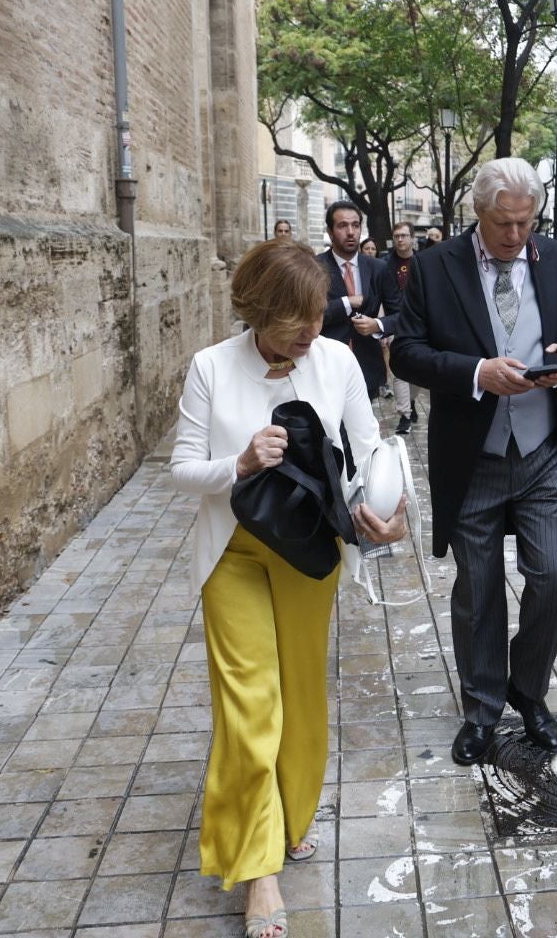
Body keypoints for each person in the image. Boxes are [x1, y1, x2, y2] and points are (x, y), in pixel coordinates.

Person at [171, 239, 407, 938]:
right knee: (250, 707)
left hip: (309, 555)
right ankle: (258, 872)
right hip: (234, 556)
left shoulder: (335, 361)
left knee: (301, 692)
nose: (309, 332)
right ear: (256, 311)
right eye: (293, 321)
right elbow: (182, 470)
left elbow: (369, 452)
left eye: (315, 317)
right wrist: (238, 463)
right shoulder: (211, 367)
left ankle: (290, 816)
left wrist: (387, 518)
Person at [391, 157, 557, 766]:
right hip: (475, 460)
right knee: (479, 590)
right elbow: (405, 353)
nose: (516, 236)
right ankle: (483, 712)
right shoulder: (436, 268)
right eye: (503, 223)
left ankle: (529, 689)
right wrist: (475, 373)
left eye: (525, 222)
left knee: (554, 579)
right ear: (478, 213)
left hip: (546, 454)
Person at [317, 202, 401, 398]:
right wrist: (347, 302)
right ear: (330, 231)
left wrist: (377, 325)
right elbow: (309, 313)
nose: (350, 232)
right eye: (342, 225)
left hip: (367, 367)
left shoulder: (377, 267)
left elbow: (400, 314)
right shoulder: (315, 266)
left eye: (355, 225)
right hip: (326, 366)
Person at [383, 221, 423, 436]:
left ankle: (412, 400)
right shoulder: (385, 264)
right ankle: (405, 415)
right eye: (397, 235)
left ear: (412, 238)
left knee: (419, 369)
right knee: (398, 370)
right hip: (394, 322)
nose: (400, 239)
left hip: (421, 321)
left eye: (404, 235)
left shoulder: (424, 261)